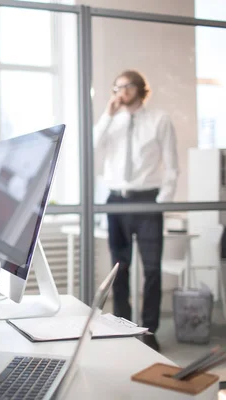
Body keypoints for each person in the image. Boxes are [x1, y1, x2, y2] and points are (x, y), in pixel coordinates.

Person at [94, 70, 178, 352]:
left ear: (141, 88)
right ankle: (122, 327)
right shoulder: (112, 122)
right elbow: (91, 148)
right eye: (116, 87)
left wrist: (161, 201)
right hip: (116, 200)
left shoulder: (159, 120)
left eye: (127, 86)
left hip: (146, 201)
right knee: (120, 268)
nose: (121, 92)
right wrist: (107, 114)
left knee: (152, 269)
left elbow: (172, 166)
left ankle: (150, 330)